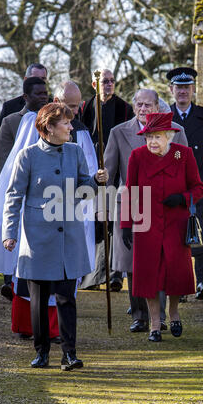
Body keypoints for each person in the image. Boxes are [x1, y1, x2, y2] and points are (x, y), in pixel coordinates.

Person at [2, 103, 108, 369]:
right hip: (38, 240)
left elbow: (84, 190)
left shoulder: (75, 152)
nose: (71, 127)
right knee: (38, 301)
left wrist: (96, 181)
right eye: (66, 123)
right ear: (49, 126)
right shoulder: (27, 156)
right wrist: (9, 233)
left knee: (66, 298)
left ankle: (69, 354)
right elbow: (13, 196)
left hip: (69, 238)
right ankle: (42, 352)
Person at [104, 88, 188, 333]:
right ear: (133, 107)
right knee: (133, 263)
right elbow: (109, 172)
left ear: (158, 107)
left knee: (161, 259)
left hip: (165, 207)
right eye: (138, 104)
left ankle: (160, 316)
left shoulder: (176, 132)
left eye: (147, 105)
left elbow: (184, 166)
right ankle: (139, 315)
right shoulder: (118, 133)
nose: (143, 109)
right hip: (130, 204)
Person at [121, 112, 203, 342]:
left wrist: (182, 198)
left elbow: (198, 188)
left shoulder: (183, 154)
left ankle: (174, 312)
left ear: (169, 136)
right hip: (146, 223)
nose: (153, 142)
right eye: (149, 137)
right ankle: (155, 325)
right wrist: (126, 224)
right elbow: (130, 191)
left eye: (157, 137)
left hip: (175, 224)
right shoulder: (137, 156)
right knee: (149, 275)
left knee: (175, 273)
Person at [167, 67, 203, 300]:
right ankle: (178, 286)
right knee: (175, 234)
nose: (182, 91)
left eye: (186, 87)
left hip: (201, 182)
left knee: (200, 230)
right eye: (178, 87)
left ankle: (202, 281)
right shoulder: (163, 116)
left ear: (193, 89)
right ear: (171, 89)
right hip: (173, 184)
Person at [0, 76, 49, 298]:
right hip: (21, 192)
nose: (44, 97)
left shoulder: (53, 119)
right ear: (26, 97)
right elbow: (4, 163)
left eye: (45, 93)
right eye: (39, 94)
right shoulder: (10, 122)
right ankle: (12, 281)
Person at [80, 69, 134, 292]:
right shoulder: (85, 108)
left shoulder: (125, 109)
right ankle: (93, 275)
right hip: (92, 170)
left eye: (112, 81)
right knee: (96, 222)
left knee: (113, 222)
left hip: (117, 172)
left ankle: (114, 274)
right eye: (105, 81)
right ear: (95, 84)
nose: (109, 84)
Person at [0, 63, 48, 151]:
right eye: (35, 78)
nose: (39, 81)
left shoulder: (53, 107)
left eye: (43, 78)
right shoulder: (10, 107)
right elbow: (1, 145)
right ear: (25, 79)